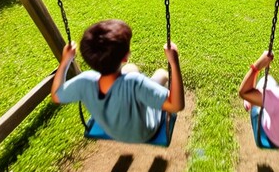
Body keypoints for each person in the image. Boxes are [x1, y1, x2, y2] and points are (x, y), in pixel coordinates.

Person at [51, 19, 185, 143]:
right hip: (144, 132)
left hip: (112, 130)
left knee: (131, 68)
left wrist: (65, 61)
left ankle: (151, 98)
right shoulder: (134, 83)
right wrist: (174, 62)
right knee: (162, 74)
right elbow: (177, 106)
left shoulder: (84, 80)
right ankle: (160, 102)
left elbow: (56, 96)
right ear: (125, 57)